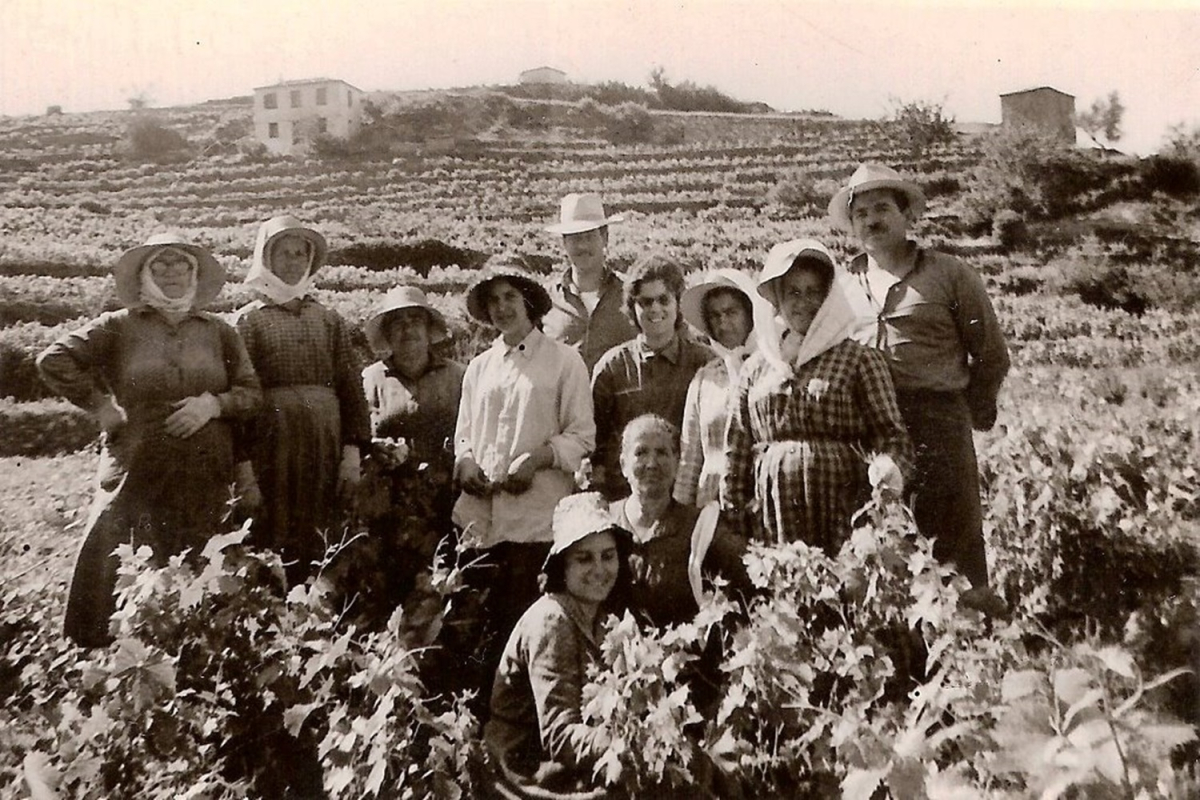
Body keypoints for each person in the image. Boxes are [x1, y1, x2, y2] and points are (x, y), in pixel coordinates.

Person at [37, 233, 262, 647]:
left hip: (205, 471)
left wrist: (213, 404)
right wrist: (101, 405)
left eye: (181, 265)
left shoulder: (218, 331)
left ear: (194, 274)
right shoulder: (118, 326)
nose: (172, 273)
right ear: (144, 274)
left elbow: (251, 393)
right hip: (136, 466)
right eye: (161, 265)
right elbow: (54, 359)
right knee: (123, 559)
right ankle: (109, 658)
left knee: (202, 562)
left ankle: (197, 657)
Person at [830, 163, 1011, 588]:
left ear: (907, 214)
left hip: (937, 426)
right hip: (867, 432)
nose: (872, 220)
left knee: (953, 549)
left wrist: (964, 411)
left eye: (882, 208)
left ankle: (968, 647)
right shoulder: (841, 285)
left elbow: (991, 354)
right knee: (879, 544)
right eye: (861, 213)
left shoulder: (950, 274)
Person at [452, 260, 596, 693]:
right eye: (493, 300)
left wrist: (539, 458)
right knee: (482, 632)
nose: (501, 308)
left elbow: (582, 436)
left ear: (529, 301)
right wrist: (466, 464)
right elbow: (464, 437)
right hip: (483, 524)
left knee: (533, 631)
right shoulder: (480, 368)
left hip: (536, 524)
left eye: (509, 297)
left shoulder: (564, 361)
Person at [721, 239, 911, 553]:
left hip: (844, 510)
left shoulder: (859, 360)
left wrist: (887, 476)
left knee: (844, 590)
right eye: (793, 292)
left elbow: (893, 436)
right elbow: (737, 450)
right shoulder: (756, 368)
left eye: (813, 293)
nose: (803, 303)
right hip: (772, 519)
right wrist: (737, 515)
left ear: (829, 299)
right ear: (778, 299)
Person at [235, 215, 370, 582]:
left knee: (323, 529)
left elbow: (350, 387)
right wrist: (243, 466)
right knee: (274, 530)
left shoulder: (328, 319)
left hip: (324, 442)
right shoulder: (248, 322)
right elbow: (239, 399)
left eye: (301, 253)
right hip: (273, 442)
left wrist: (352, 452)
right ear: (266, 258)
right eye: (285, 253)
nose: (294, 261)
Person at [484, 492, 631, 799]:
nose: (600, 569)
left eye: (608, 555)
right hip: (528, 772)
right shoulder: (552, 620)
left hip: (572, 762)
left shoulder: (603, 620)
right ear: (562, 566)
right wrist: (631, 744)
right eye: (583, 558)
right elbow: (559, 734)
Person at [360, 286, 466, 606]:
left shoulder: (459, 376)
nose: (408, 329)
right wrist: (377, 447)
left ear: (428, 328)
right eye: (397, 323)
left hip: (446, 499)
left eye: (415, 320)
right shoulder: (371, 379)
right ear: (387, 335)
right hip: (389, 503)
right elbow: (359, 434)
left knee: (446, 585)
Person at [590, 254, 713, 501]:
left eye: (663, 300)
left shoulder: (704, 362)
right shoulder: (613, 367)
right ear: (633, 309)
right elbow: (595, 442)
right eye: (645, 302)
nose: (655, 309)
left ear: (677, 303)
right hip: (625, 498)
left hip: (685, 497)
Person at [611, 414, 749, 629]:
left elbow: (744, 584)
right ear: (623, 464)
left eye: (662, 453)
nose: (652, 463)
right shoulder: (604, 523)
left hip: (683, 657)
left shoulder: (700, 528)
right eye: (641, 452)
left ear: (677, 463)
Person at [674, 269, 759, 508]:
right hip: (712, 505)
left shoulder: (772, 369)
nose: (723, 323)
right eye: (715, 316)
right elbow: (690, 459)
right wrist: (682, 515)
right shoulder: (705, 378)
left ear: (750, 314)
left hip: (759, 499)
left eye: (731, 312)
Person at [541, 192, 638, 373]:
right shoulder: (545, 301)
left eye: (589, 236)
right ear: (564, 243)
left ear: (605, 238)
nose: (583, 246)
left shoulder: (632, 293)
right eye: (576, 238)